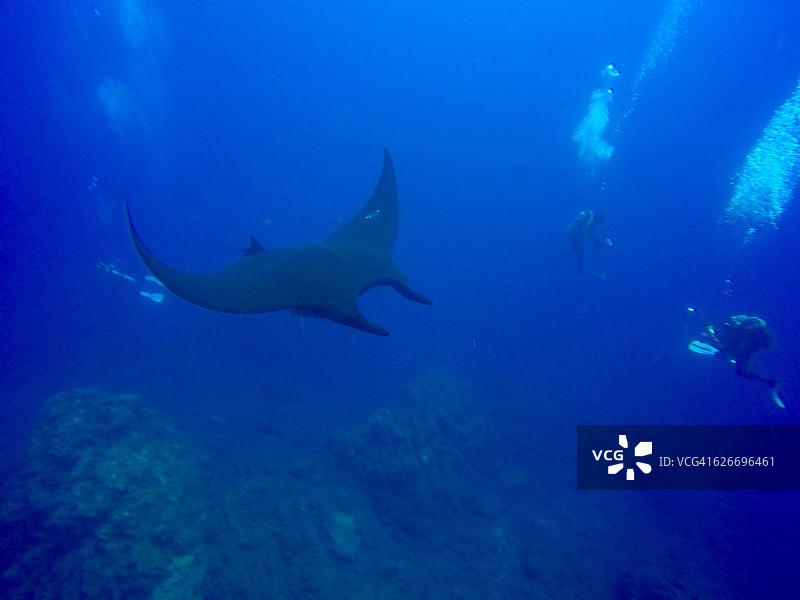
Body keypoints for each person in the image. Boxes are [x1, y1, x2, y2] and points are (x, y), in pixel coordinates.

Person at [704, 315, 778, 388]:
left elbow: (768, 345)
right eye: (753, 323)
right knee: (721, 347)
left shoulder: (760, 334)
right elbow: (725, 324)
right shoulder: (741, 321)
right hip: (733, 342)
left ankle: (769, 381)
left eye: (756, 325)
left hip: (747, 349)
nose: (753, 326)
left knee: (742, 371)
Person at [552, 209, 614, 278]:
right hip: (577, 238)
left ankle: (558, 254)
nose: (600, 221)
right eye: (601, 219)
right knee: (581, 253)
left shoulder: (590, 218)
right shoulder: (591, 221)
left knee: (577, 253)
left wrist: (599, 239)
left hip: (576, 237)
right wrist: (602, 241)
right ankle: (582, 270)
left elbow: (592, 234)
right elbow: (592, 235)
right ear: (599, 216)